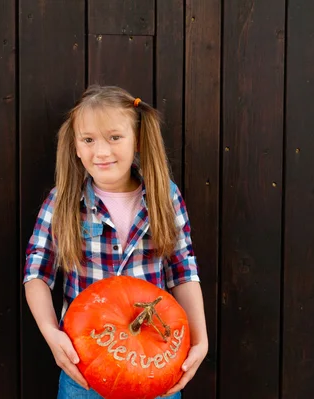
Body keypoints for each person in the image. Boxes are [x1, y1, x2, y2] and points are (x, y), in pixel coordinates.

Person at [23, 85, 208, 399]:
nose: (102, 152)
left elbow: (183, 271)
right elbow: (36, 273)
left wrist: (200, 341)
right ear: (76, 147)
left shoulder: (165, 197)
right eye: (89, 140)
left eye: (114, 137)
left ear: (137, 140)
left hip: (155, 362)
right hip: (85, 368)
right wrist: (51, 333)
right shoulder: (62, 201)